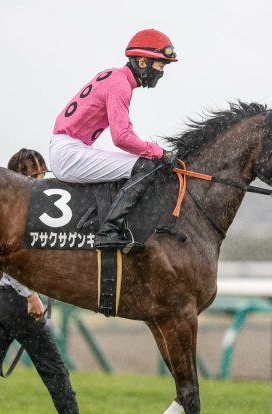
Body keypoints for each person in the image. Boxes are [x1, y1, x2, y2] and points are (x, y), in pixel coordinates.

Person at [0, 148, 116, 414]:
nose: (42, 181)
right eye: (37, 175)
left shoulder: (0, 205)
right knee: (55, 371)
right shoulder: (22, 207)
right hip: (16, 301)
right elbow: (11, 261)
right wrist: (32, 296)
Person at [49, 28, 179, 251]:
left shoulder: (113, 75)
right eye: (160, 65)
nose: (161, 71)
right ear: (141, 62)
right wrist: (159, 152)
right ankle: (108, 232)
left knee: (140, 162)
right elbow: (122, 138)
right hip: (68, 152)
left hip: (68, 147)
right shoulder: (121, 86)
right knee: (148, 166)